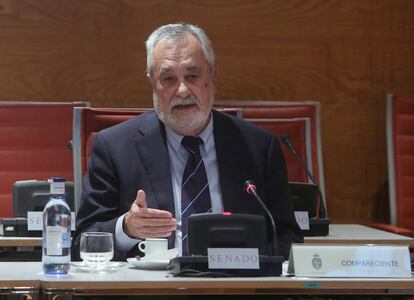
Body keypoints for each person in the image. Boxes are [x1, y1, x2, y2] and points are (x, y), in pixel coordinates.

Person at [72, 22, 303, 261]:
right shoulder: (114, 147)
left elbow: (287, 237)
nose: (182, 90)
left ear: (212, 76)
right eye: (168, 79)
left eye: (192, 76)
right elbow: (82, 242)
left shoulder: (259, 147)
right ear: (152, 82)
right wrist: (127, 228)